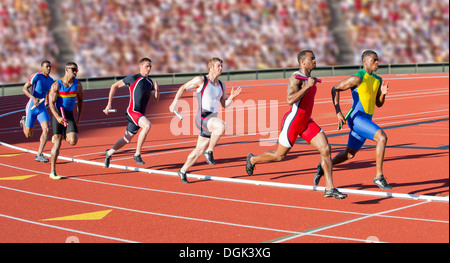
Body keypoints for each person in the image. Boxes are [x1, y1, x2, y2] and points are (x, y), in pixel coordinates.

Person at [245, 50, 347, 199]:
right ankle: (252, 159)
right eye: (311, 59)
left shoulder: (310, 78)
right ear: (302, 62)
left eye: (315, 58)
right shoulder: (296, 78)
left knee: (325, 149)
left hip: (306, 122)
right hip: (293, 122)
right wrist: (307, 86)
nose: (315, 61)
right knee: (279, 156)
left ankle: (329, 188)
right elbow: (289, 100)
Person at [314, 50, 391, 190]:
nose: (377, 62)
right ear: (365, 62)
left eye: (378, 59)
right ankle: (379, 177)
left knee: (348, 155)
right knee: (381, 137)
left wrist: (383, 94)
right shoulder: (357, 78)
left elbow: (378, 104)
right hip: (356, 119)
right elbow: (335, 89)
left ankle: (323, 166)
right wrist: (338, 112)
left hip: (366, 120)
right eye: (374, 60)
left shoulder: (378, 80)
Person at [169, 57, 242, 183]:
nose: (221, 68)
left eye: (221, 66)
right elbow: (183, 88)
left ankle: (182, 170)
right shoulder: (201, 80)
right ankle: (210, 151)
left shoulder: (221, 85)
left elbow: (225, 105)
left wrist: (232, 97)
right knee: (222, 126)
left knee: (198, 150)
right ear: (211, 67)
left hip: (211, 121)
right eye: (218, 66)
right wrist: (174, 103)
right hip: (202, 118)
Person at [103, 57, 159, 167]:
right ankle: (137, 154)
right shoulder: (133, 78)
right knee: (147, 125)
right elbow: (114, 86)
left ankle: (109, 153)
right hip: (132, 111)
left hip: (140, 114)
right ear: (140, 66)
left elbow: (156, 99)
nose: (149, 68)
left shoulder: (150, 82)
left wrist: (157, 90)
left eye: (150, 67)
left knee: (126, 139)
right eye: (147, 66)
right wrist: (109, 104)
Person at [48, 62, 84, 179]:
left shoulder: (78, 85)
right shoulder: (56, 85)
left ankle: (63, 133)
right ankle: (53, 171)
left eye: (76, 70)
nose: (75, 72)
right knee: (57, 143)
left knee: (73, 141)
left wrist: (78, 118)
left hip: (69, 114)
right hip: (58, 113)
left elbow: (81, 101)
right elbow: (51, 104)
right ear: (66, 70)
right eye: (73, 70)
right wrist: (58, 117)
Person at [19, 61, 54, 163]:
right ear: (42, 67)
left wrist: (47, 102)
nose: (49, 68)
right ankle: (23, 122)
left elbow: (49, 93)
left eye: (50, 67)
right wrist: (33, 98)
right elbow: (24, 88)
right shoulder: (36, 76)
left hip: (42, 108)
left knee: (47, 129)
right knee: (28, 135)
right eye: (46, 66)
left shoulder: (51, 80)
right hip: (32, 107)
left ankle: (39, 154)